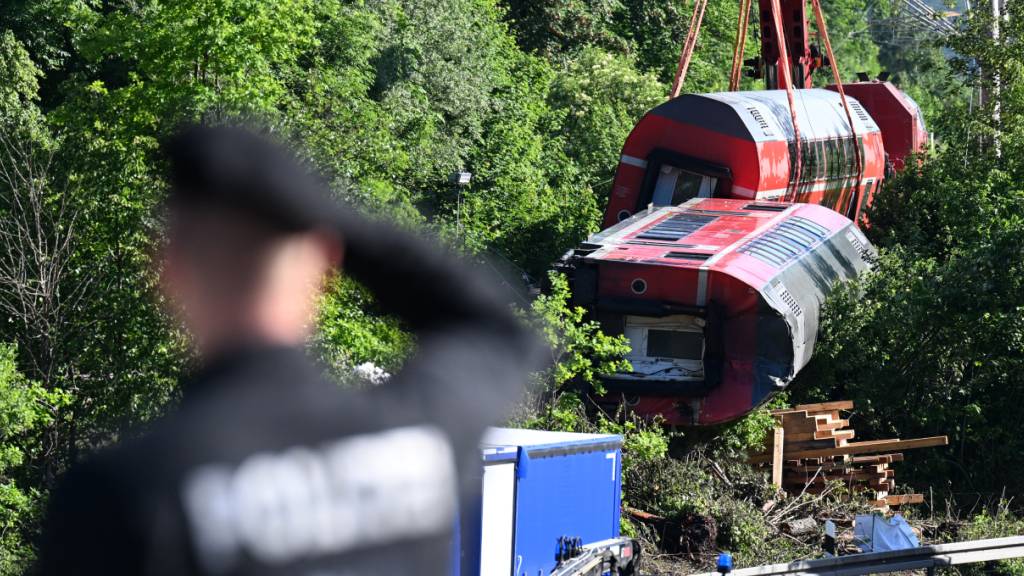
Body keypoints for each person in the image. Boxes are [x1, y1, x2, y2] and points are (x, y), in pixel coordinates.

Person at [36, 125, 541, 576]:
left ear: (168, 271)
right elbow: (492, 326)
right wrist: (327, 218)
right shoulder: (418, 434)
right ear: (324, 265)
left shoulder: (125, 496)